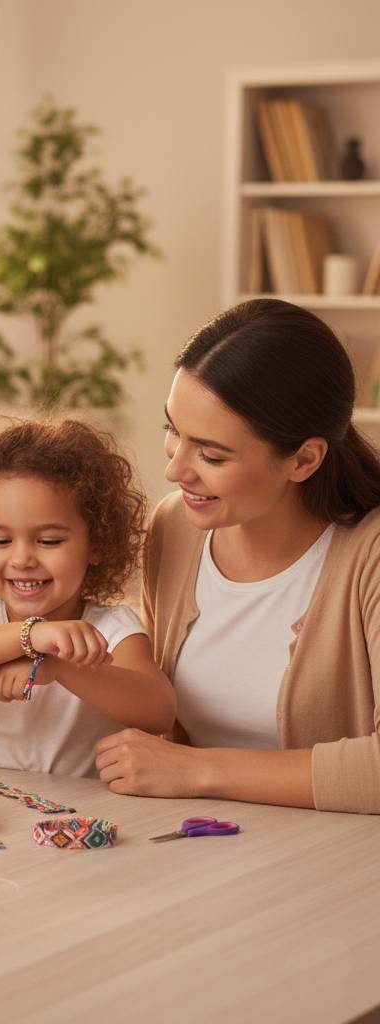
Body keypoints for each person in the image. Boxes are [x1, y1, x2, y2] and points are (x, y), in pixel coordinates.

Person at [95, 298, 380, 813]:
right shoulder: (176, 528)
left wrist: (198, 770)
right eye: (172, 432)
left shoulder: (369, 554)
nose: (176, 470)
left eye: (211, 454)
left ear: (304, 459)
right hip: (202, 843)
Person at [0, 418, 174, 775]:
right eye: (0, 540)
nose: (21, 559)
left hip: (71, 820)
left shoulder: (112, 627)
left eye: (49, 541)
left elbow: (158, 711)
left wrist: (56, 665)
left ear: (97, 543)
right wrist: (29, 635)